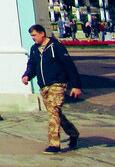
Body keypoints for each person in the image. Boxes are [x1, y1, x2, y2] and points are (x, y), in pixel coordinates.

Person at [21, 24, 82, 154]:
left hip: (58, 84)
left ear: (42, 34)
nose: (33, 38)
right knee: (56, 113)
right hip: (44, 86)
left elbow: (68, 65)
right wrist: (27, 75)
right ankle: (73, 133)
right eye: (31, 36)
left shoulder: (56, 47)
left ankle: (54, 145)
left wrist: (76, 85)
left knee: (53, 111)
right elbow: (32, 65)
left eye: (34, 35)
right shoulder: (34, 49)